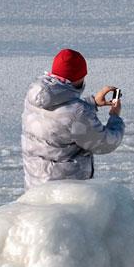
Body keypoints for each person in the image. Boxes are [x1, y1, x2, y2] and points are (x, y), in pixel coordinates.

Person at [21, 48, 124, 189]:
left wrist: (92, 102)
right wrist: (115, 116)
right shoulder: (77, 113)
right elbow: (105, 143)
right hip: (65, 191)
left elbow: (59, 119)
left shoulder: (35, 96)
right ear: (79, 77)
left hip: (36, 185)